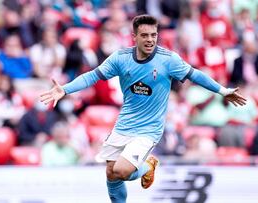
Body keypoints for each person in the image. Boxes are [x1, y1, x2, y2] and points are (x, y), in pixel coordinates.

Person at [40, 14, 246, 203]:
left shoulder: (168, 60)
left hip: (148, 130)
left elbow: (195, 75)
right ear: (134, 37)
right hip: (124, 125)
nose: (150, 39)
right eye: (145, 35)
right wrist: (65, 90)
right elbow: (93, 76)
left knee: (121, 170)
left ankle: (148, 165)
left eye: (154, 35)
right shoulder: (120, 58)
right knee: (111, 173)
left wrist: (222, 90)